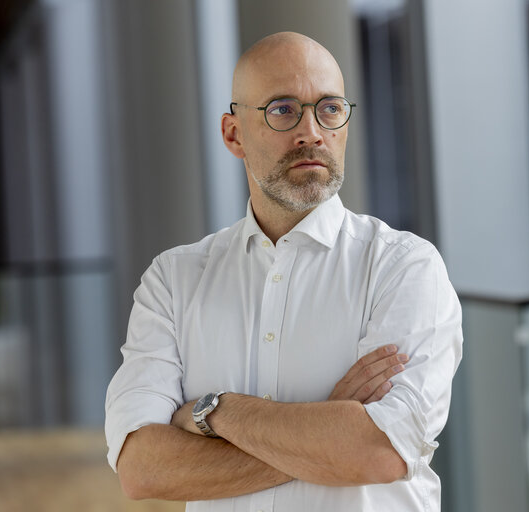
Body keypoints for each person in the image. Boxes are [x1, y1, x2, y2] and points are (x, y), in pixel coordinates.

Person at [104, 31, 463, 512]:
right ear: (234, 134)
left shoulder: (404, 267)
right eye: (282, 109)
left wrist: (215, 411)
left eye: (330, 109)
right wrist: (326, 429)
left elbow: (377, 452)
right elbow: (143, 468)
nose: (312, 132)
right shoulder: (174, 280)